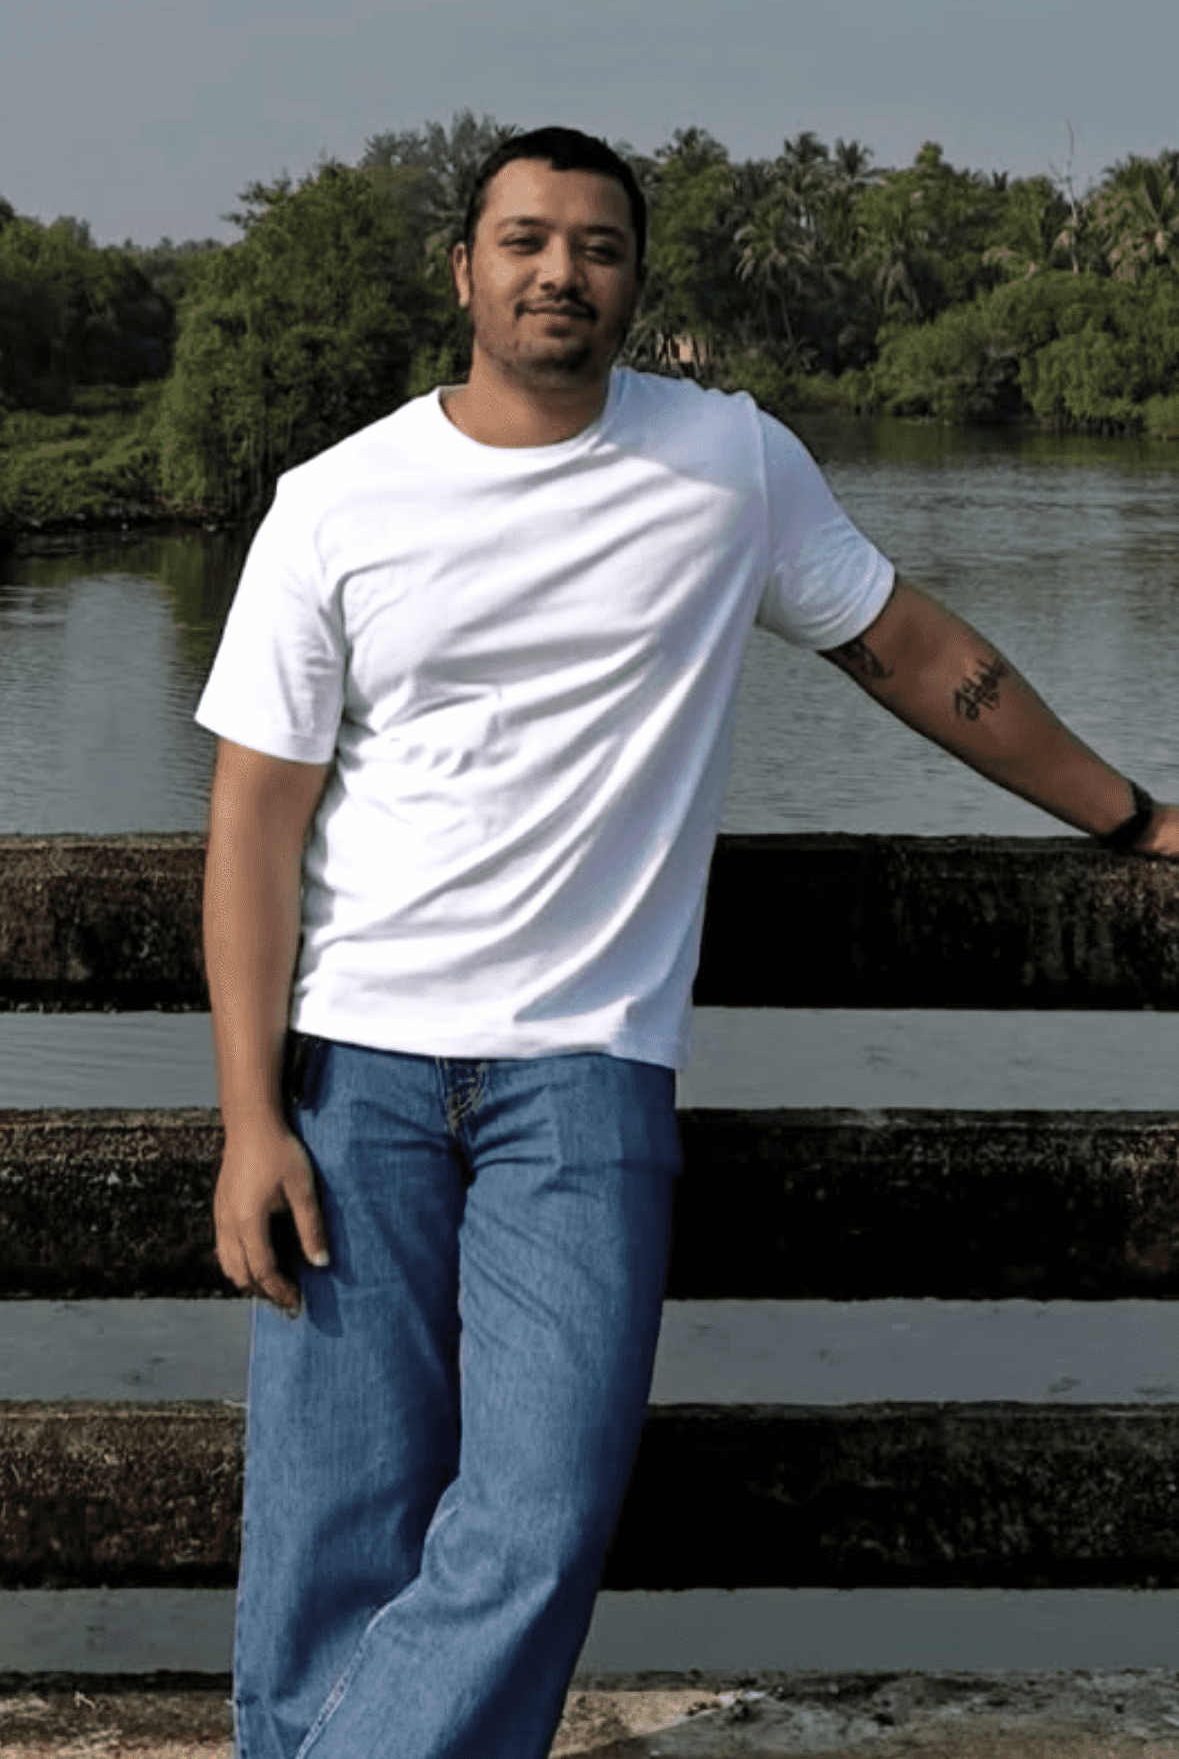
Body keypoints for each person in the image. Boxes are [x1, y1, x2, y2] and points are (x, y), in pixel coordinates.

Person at [198, 124, 1178, 1759]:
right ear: (463, 270)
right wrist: (247, 1118)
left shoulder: (726, 463)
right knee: (333, 1521)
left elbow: (907, 649)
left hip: (585, 1073)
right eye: (524, 240)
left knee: (539, 1514)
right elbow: (252, 822)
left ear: (634, 282)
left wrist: (1130, 815)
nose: (558, 271)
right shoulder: (335, 502)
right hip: (355, 1068)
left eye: (595, 246)